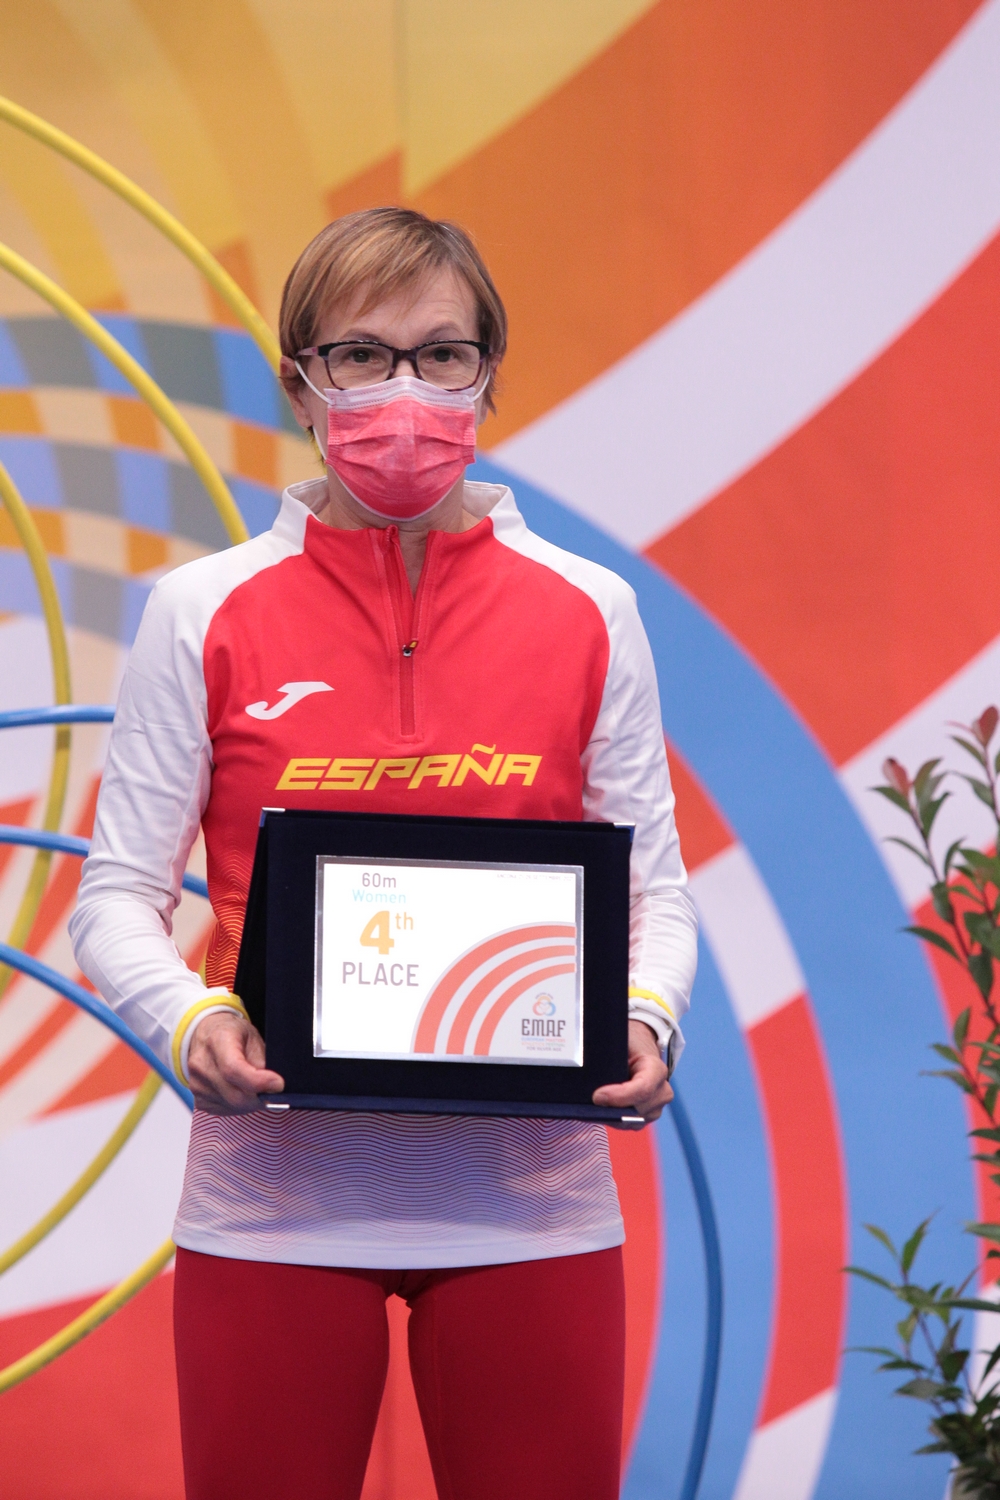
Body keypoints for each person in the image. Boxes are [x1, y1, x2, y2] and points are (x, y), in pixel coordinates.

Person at [70, 207, 698, 1500]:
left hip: (534, 1205)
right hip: (272, 1200)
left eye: (441, 353)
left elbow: (657, 902)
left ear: (488, 374)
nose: (403, 392)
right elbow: (115, 901)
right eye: (361, 355)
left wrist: (645, 1017)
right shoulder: (200, 611)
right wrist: (192, 1021)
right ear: (300, 382)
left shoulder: (594, 611)